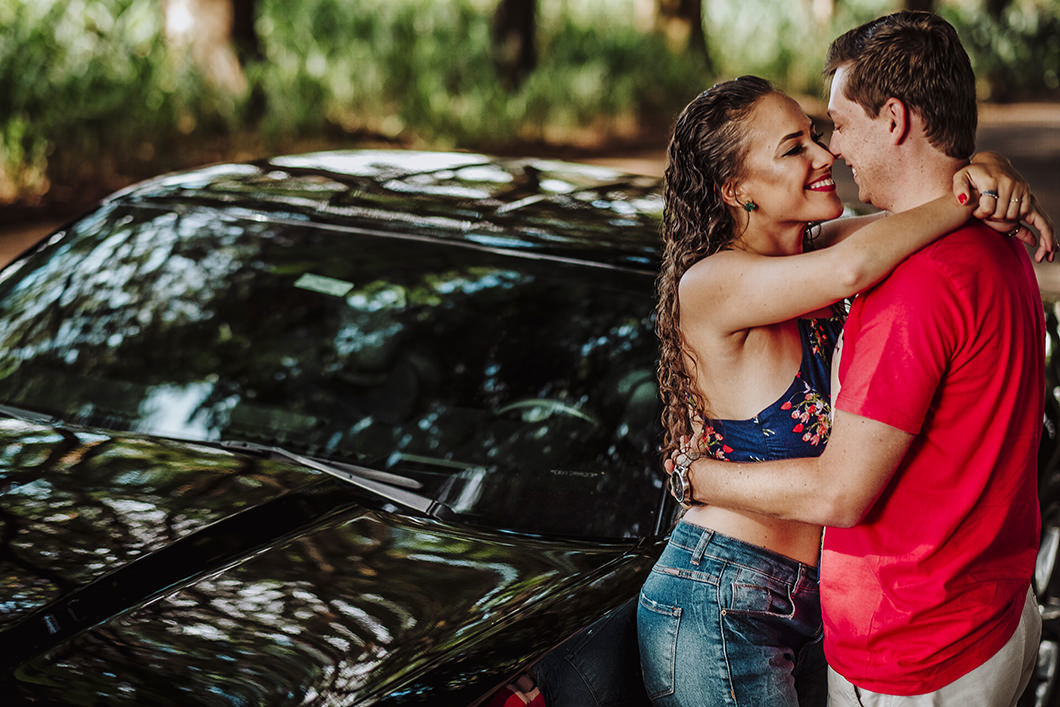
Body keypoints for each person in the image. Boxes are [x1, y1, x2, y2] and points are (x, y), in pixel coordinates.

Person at [668, 11, 1056, 705]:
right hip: (722, 588)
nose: (828, 151)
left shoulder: (841, 255)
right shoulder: (719, 281)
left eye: (829, 129)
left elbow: (876, 241)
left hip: (844, 608)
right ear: (737, 190)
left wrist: (983, 174)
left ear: (896, 119)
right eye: (797, 147)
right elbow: (858, 263)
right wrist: (969, 188)